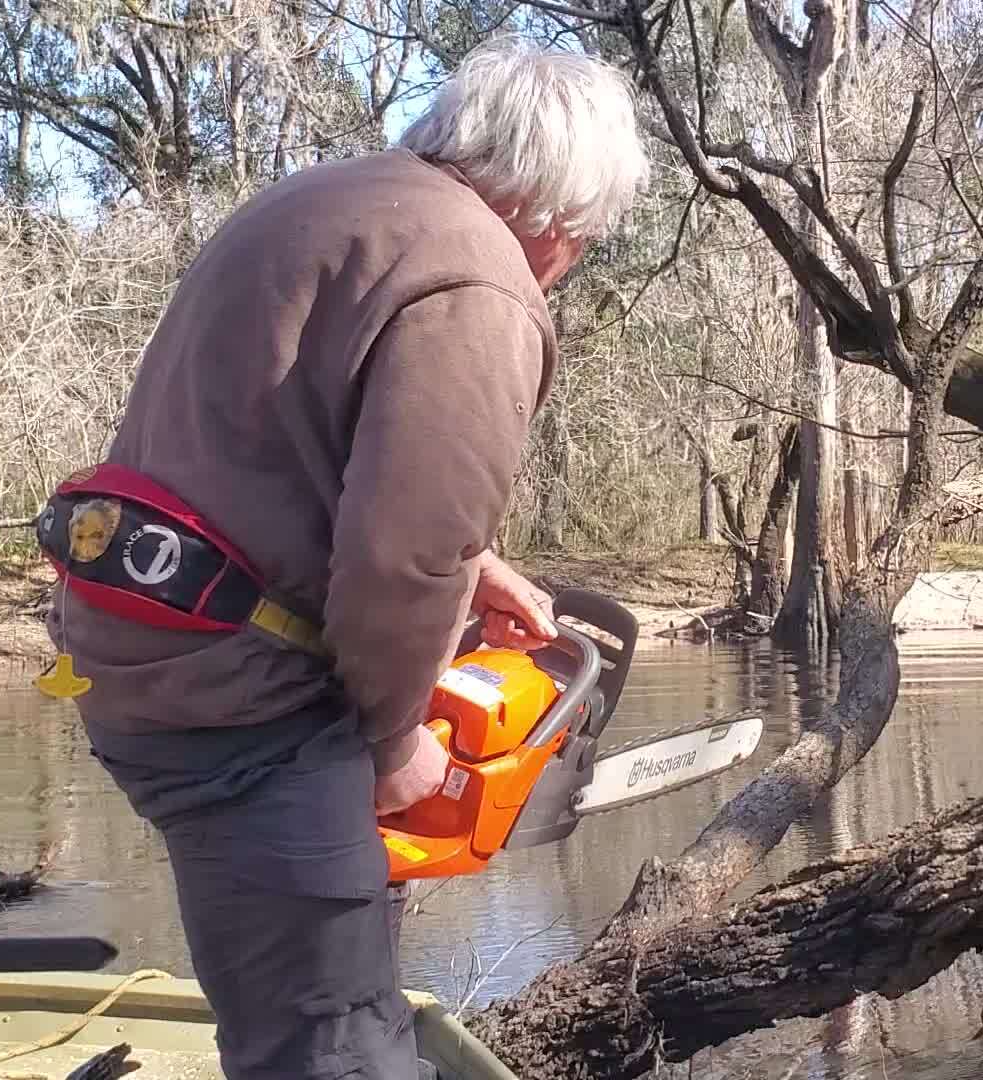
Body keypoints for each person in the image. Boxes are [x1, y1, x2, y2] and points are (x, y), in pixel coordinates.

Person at [34, 39, 650, 1080]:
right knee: (331, 1043)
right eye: (582, 240)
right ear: (556, 216)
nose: (566, 263)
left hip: (141, 654)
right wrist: (395, 736)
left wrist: (477, 567)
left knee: (295, 1005)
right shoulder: (479, 281)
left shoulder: (324, 205)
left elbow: (278, 450)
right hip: (241, 698)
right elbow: (406, 557)